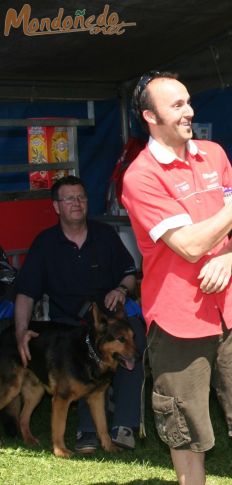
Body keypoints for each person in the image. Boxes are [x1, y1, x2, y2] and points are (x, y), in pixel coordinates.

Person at [121, 71, 232, 485]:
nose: (189, 111)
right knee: (184, 427)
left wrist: (228, 256)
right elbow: (190, 245)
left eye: (189, 101)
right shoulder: (141, 177)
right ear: (149, 117)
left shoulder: (213, 153)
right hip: (178, 320)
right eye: (176, 105)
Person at [14, 175, 145, 453]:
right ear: (56, 207)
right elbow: (25, 293)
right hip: (69, 324)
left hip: (110, 320)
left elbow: (129, 273)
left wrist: (122, 289)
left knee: (136, 339)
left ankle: (124, 425)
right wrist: (21, 331)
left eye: (81, 197)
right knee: (77, 353)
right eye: (69, 198)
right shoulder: (45, 244)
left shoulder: (105, 235)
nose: (77, 203)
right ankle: (86, 431)